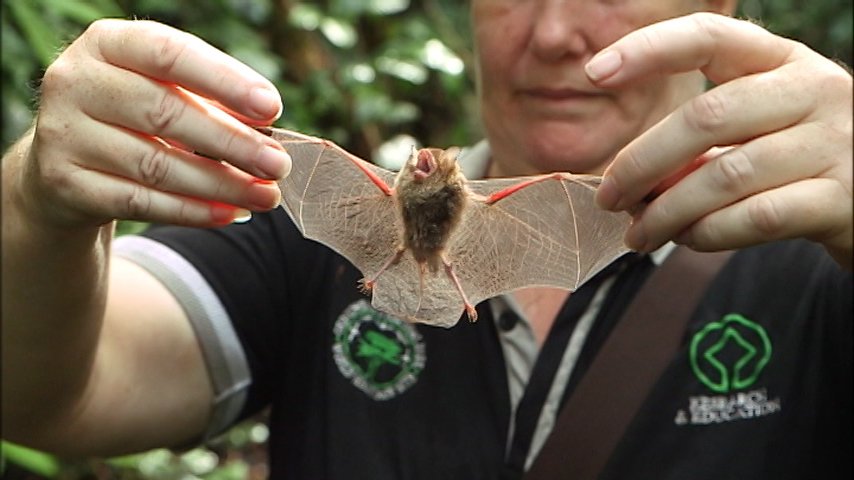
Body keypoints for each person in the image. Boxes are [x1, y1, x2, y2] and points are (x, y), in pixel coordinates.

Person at [2, 0, 851, 478]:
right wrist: (36, 206)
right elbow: (45, 395)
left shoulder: (821, 257)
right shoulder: (318, 245)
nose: (555, 34)